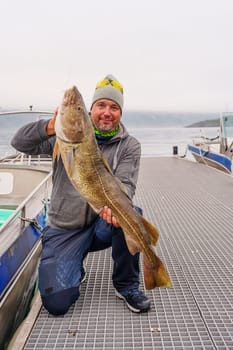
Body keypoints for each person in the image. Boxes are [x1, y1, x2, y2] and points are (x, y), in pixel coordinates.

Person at [11, 74, 151, 315]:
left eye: (114, 107)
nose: (107, 112)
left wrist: (115, 208)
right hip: (65, 229)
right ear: (91, 110)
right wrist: (49, 127)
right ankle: (75, 266)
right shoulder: (61, 136)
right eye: (101, 105)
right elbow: (19, 143)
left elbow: (126, 185)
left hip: (101, 224)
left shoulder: (129, 146)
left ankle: (127, 285)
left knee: (130, 214)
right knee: (57, 303)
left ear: (120, 113)